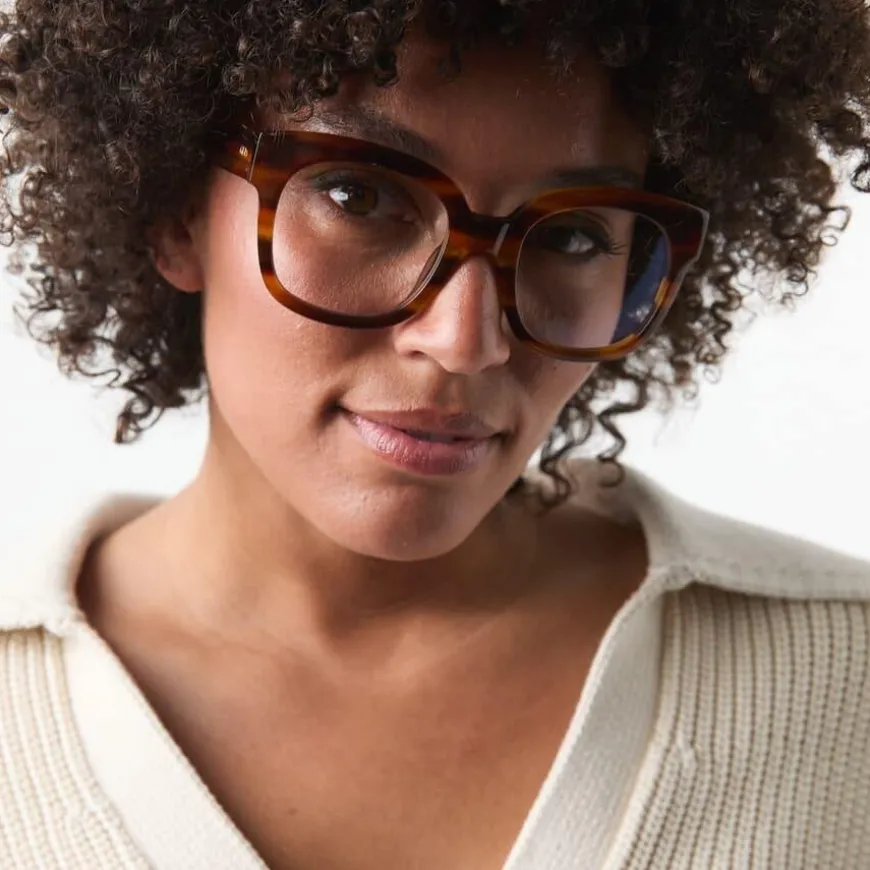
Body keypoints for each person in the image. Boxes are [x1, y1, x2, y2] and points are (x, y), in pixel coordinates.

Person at [1, 1, 870, 868]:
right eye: (360, 196)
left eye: (571, 236)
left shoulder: (841, 678)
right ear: (174, 210)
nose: (466, 339)